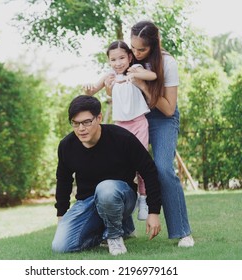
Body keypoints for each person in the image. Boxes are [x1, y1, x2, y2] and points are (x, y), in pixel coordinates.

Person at [104, 20, 194, 247]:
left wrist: (144, 87)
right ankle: (125, 228)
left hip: (161, 117)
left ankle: (183, 232)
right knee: (123, 168)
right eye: (133, 48)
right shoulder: (128, 60)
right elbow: (115, 91)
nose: (135, 53)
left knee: (163, 168)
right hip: (134, 118)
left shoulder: (167, 63)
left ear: (153, 46)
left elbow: (169, 108)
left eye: (141, 49)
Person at [51, 95, 162, 255]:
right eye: (75, 123)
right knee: (60, 246)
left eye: (86, 122)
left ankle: (114, 236)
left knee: (106, 189)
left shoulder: (121, 138)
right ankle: (122, 227)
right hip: (88, 202)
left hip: (122, 197)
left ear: (99, 118)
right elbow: (63, 181)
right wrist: (61, 214)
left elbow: (149, 171)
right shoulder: (67, 146)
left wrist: (153, 212)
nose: (81, 128)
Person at [83, 40, 157, 221]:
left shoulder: (135, 69)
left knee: (141, 163)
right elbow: (91, 92)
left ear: (129, 57)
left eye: (122, 58)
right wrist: (88, 89)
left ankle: (144, 198)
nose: (118, 63)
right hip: (121, 127)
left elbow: (153, 75)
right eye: (113, 59)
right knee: (123, 166)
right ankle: (125, 207)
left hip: (138, 123)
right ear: (108, 61)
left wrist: (137, 74)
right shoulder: (109, 77)